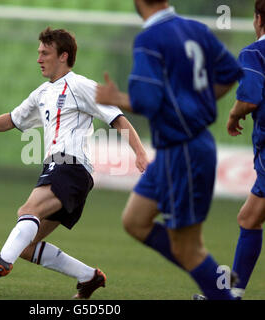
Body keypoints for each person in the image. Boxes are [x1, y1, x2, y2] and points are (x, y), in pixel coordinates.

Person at [0, 27, 149, 299]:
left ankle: (3, 261)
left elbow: (118, 118)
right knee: (27, 245)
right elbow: (15, 119)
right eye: (38, 52)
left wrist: (140, 152)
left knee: (27, 210)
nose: (39, 58)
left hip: (69, 166)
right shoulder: (42, 93)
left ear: (63, 56)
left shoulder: (81, 85)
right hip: (64, 171)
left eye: (45, 53)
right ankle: (89, 277)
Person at [96, 0, 242, 299]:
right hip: (175, 148)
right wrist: (197, 102)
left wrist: (115, 98)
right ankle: (214, 275)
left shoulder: (150, 38)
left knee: (187, 248)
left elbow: (146, 102)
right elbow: (229, 72)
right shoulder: (195, 28)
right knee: (135, 221)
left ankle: (217, 287)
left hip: (184, 151)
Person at [203, 0, 264, 300]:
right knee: (249, 218)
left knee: (249, 218)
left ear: (258, 18)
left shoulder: (254, 52)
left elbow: (250, 97)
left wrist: (233, 114)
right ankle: (232, 295)